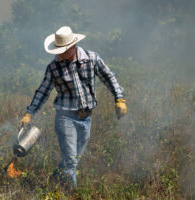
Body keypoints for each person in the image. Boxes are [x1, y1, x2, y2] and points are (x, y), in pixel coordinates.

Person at [19, 26, 127, 189]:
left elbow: (109, 77)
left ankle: (53, 183)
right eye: (58, 50)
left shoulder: (92, 58)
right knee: (70, 162)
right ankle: (73, 194)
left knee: (72, 161)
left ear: (72, 46)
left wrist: (119, 98)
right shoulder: (54, 68)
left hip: (86, 118)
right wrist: (29, 113)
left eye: (62, 50)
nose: (59, 53)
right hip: (65, 118)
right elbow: (43, 91)